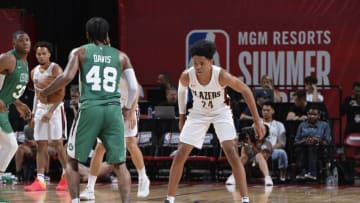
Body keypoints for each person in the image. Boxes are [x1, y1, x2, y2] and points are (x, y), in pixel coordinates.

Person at [39, 17, 137, 203]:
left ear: (87, 34)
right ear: (107, 34)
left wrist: (45, 91)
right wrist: (127, 107)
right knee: (120, 164)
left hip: (90, 108)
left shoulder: (80, 52)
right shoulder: (121, 56)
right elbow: (133, 87)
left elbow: (67, 77)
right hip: (113, 110)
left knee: (72, 160)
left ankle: (75, 201)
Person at [164, 40, 266, 203]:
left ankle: (245, 199)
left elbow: (245, 89)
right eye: (195, 63)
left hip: (221, 112)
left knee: (231, 152)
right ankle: (169, 198)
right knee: (181, 151)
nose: (197, 67)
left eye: (201, 63)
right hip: (198, 113)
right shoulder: (187, 75)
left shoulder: (221, 75)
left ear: (211, 62)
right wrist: (182, 116)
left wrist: (257, 119)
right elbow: (182, 90)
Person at [80, 78, 150, 200]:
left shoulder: (122, 65)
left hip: (127, 108)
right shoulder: (100, 69)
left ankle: (143, 178)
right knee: (100, 148)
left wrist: (132, 111)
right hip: (110, 109)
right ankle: (90, 188)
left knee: (130, 144)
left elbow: (136, 89)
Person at [24, 41, 68, 191]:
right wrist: (34, 113)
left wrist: (50, 111)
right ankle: (40, 180)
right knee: (40, 144)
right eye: (38, 54)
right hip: (41, 108)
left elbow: (62, 93)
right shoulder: (34, 71)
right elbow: (36, 95)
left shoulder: (55, 68)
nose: (41, 56)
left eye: (44, 53)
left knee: (57, 144)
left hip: (55, 109)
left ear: (49, 54)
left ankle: (66, 176)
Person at [0, 31, 32, 180]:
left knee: (6, 146)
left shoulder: (24, 63)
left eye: (27, 39)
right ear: (13, 44)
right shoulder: (8, 58)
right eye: (21, 40)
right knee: (11, 145)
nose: (25, 42)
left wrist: (18, 103)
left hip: (4, 110)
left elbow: (8, 87)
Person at [294, 106, 332, 181]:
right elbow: (296, 141)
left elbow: (327, 141)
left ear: (318, 116)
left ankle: (312, 173)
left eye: (314, 114)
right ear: (307, 115)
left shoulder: (324, 125)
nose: (311, 116)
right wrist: (304, 140)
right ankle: (303, 172)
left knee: (312, 146)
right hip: (303, 147)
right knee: (303, 147)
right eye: (310, 114)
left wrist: (318, 140)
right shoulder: (302, 125)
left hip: (319, 148)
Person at [262, 102, 288, 182]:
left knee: (282, 153)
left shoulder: (279, 125)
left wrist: (270, 148)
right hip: (259, 150)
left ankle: (283, 175)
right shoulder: (256, 124)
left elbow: (282, 143)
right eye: (264, 110)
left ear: (273, 111)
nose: (265, 112)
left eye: (268, 110)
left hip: (273, 150)